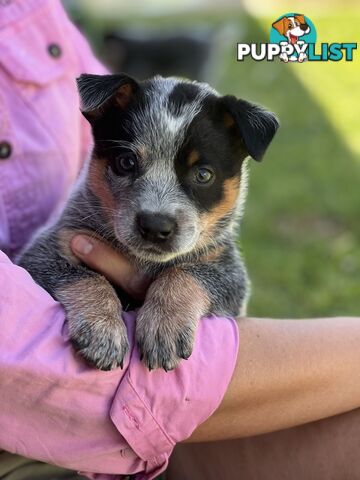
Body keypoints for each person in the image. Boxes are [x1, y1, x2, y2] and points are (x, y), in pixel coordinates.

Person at [0, 1, 359, 480]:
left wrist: (181, 290)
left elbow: (228, 287)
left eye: (202, 174)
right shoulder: (85, 220)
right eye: (127, 164)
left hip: (176, 428)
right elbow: (41, 263)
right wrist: (91, 293)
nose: (158, 213)